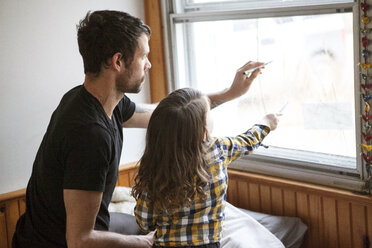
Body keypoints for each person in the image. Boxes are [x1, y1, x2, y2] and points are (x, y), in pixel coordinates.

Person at [12, 9, 269, 248]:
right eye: (144, 56)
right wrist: (144, 243)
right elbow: (80, 239)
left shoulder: (91, 99)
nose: (149, 64)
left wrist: (230, 93)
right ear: (118, 61)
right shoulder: (90, 135)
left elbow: (170, 114)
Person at [132, 87, 280, 247]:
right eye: (209, 112)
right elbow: (248, 141)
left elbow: (144, 221)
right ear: (203, 133)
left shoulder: (155, 165)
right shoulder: (218, 149)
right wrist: (265, 124)